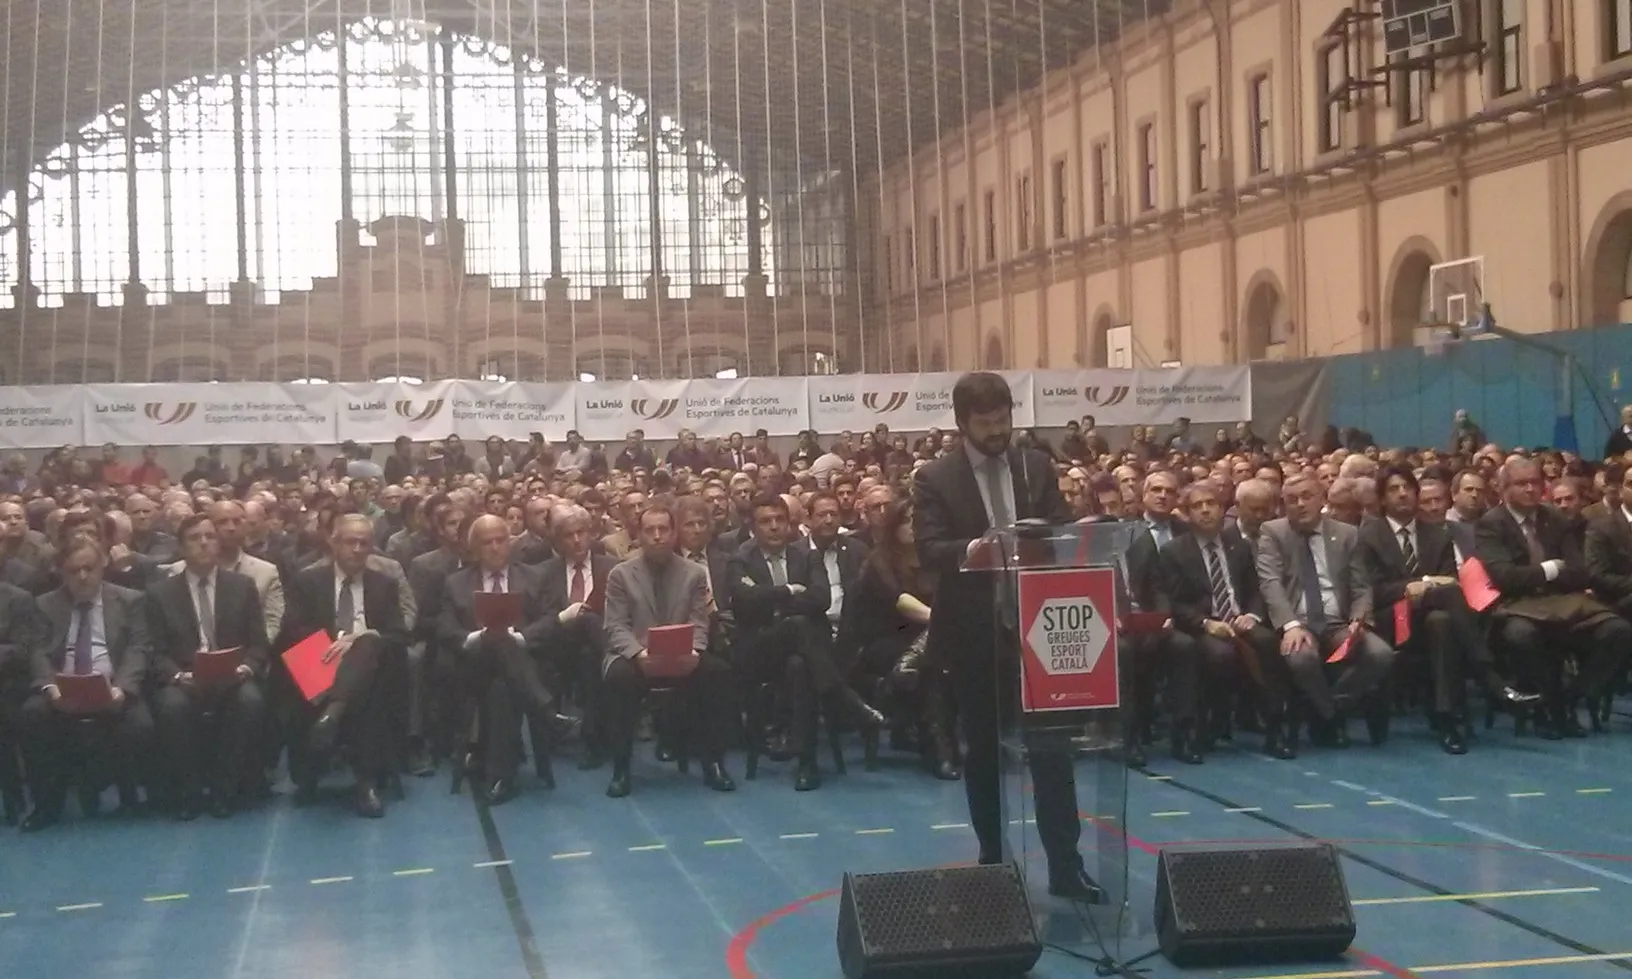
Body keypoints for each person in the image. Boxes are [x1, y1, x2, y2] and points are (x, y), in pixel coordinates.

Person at [913, 371, 1096, 899]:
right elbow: (928, 547)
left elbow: (1060, 527)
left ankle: (1066, 865)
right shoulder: (935, 478)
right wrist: (973, 549)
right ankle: (994, 860)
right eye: (986, 423)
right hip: (975, 633)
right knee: (986, 755)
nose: (998, 431)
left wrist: (1061, 537)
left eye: (1004, 419)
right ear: (962, 422)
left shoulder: (1034, 464)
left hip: (1041, 631)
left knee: (1053, 753)